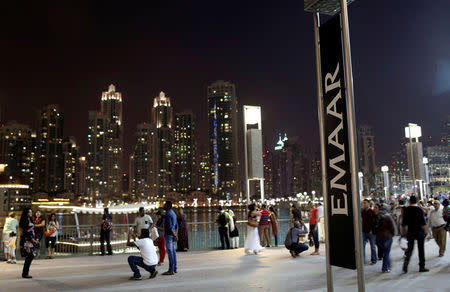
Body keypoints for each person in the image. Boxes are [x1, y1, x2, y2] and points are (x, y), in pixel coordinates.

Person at [402, 195, 429, 273]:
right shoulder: (419, 210)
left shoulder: (406, 210)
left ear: (410, 201)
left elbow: (403, 223)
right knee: (421, 249)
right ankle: (422, 266)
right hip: (419, 231)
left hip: (410, 231)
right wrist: (426, 231)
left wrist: (403, 233)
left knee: (410, 249)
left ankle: (406, 263)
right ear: (417, 201)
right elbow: (424, 222)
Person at [374, 204, 396, 273]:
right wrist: (392, 234)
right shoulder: (388, 216)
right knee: (386, 253)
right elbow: (392, 227)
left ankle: (388, 265)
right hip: (387, 237)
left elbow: (374, 226)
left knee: (385, 252)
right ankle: (385, 268)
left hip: (378, 238)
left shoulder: (377, 216)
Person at [19, 208, 37, 278]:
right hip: (27, 241)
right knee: (30, 256)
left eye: (31, 212)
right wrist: (32, 240)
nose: (31, 213)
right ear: (26, 213)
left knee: (30, 256)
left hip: (31, 240)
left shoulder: (30, 219)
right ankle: (25, 273)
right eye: (29, 212)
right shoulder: (25, 221)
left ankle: (25, 273)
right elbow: (26, 232)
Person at [162, 201, 178, 275]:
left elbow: (170, 227)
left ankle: (171, 270)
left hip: (169, 235)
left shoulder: (168, 214)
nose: (163, 206)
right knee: (173, 252)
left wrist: (174, 235)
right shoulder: (173, 213)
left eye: (164, 205)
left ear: (167, 206)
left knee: (170, 253)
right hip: (173, 235)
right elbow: (176, 226)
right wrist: (175, 235)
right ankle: (175, 268)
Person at [361, 199, 377, 264]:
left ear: (368, 203)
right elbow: (361, 220)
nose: (364, 204)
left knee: (373, 246)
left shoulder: (372, 212)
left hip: (371, 232)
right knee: (362, 246)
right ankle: (362, 260)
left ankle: (374, 260)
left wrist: (372, 230)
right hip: (364, 231)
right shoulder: (362, 212)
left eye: (365, 203)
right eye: (363, 203)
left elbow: (374, 222)